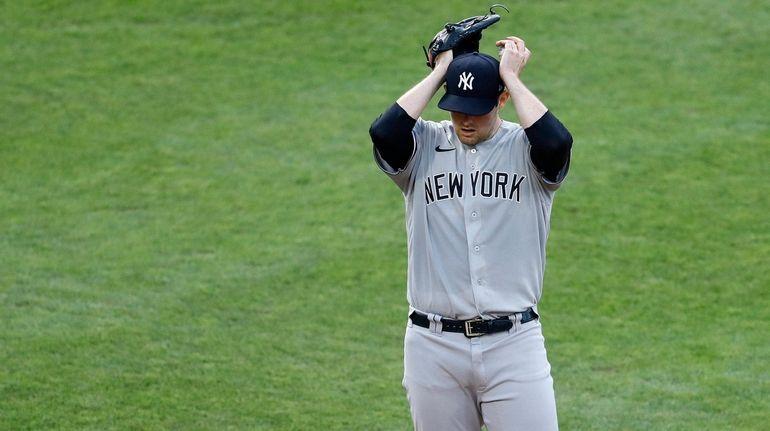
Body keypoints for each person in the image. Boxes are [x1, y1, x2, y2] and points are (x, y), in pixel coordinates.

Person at [368, 36, 573, 430]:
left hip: (513, 344)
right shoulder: (424, 144)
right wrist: (443, 70)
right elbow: (384, 133)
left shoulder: (525, 149)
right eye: (457, 108)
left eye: (477, 110)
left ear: (500, 101)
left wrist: (510, 77)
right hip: (433, 346)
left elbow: (557, 142)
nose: (464, 119)